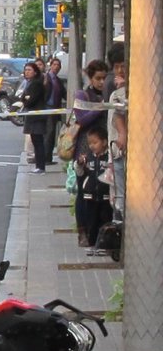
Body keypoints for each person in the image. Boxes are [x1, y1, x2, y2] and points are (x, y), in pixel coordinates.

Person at [71, 59, 108, 246]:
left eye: (104, 78)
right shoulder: (83, 94)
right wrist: (100, 107)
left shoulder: (109, 94)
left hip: (105, 149)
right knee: (83, 190)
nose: (102, 82)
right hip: (85, 149)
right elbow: (81, 119)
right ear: (90, 78)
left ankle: (100, 231)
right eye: (98, 78)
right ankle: (82, 231)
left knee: (103, 190)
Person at [76, 126, 113, 256]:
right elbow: (80, 173)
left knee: (105, 220)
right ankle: (92, 244)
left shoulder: (108, 158)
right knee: (91, 221)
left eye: (95, 142)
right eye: (89, 143)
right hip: (90, 196)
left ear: (104, 142)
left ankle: (104, 245)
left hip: (105, 196)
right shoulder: (88, 158)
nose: (91, 146)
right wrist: (79, 164)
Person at [106, 47, 127, 218]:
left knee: (122, 199)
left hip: (124, 152)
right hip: (116, 152)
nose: (119, 70)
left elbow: (120, 114)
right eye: (116, 66)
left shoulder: (130, 91)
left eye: (123, 65)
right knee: (118, 197)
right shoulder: (114, 92)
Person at [19, 61, 48, 173]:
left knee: (38, 142)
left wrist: (26, 100)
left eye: (29, 70)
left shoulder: (36, 84)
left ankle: (40, 166)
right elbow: (23, 97)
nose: (27, 72)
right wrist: (25, 99)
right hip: (32, 116)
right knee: (35, 141)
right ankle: (39, 165)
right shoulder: (29, 83)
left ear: (35, 72)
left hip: (37, 117)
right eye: (26, 70)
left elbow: (30, 100)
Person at [43, 56, 66, 163]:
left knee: (52, 135)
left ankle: (48, 157)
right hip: (46, 109)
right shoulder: (45, 78)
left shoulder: (58, 81)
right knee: (49, 134)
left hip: (55, 110)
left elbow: (64, 93)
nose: (56, 67)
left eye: (58, 65)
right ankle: (46, 158)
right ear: (51, 66)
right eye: (54, 65)